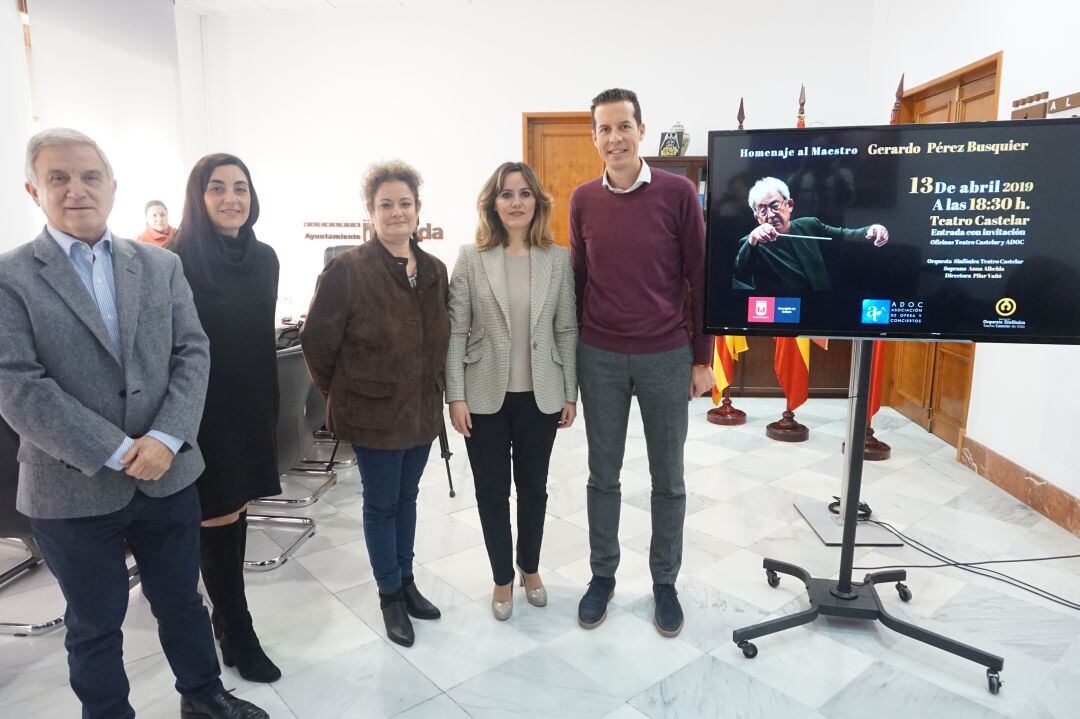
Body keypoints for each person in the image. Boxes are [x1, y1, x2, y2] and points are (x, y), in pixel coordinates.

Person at [0, 128, 266, 718]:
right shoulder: (10, 276)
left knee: (182, 602)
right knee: (95, 622)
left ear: (112, 186)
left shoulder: (160, 264)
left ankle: (202, 697)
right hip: (70, 487)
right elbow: (17, 384)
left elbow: (192, 352)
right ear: (32, 189)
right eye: (58, 178)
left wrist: (166, 438)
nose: (76, 190)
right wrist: (119, 448)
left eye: (90, 176)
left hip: (166, 474)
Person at [569, 89, 714, 638]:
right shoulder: (582, 199)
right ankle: (601, 576)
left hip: (665, 355)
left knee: (668, 479)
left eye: (623, 126)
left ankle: (664, 583)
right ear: (595, 137)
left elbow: (699, 279)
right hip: (600, 356)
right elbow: (578, 284)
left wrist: (702, 358)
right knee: (602, 476)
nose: (614, 139)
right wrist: (571, 364)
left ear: (641, 129)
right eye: (604, 129)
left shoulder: (678, 193)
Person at [301, 160, 448, 648]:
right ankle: (389, 595)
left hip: (422, 413)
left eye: (405, 203)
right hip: (374, 414)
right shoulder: (347, 270)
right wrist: (341, 393)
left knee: (406, 501)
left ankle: (406, 583)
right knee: (381, 505)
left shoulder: (432, 270)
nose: (396, 212)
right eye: (386, 204)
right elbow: (317, 344)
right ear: (371, 211)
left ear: (418, 210)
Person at [446, 162, 577, 621]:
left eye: (524, 194)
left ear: (536, 202)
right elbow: (456, 331)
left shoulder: (557, 258)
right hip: (483, 396)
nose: (516, 202)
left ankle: (530, 567)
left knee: (534, 490)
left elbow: (566, 329)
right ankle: (502, 576)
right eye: (506, 194)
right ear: (492, 204)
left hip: (541, 393)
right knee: (491, 491)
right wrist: (454, 396)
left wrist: (570, 392)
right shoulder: (470, 258)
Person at [170, 154, 282, 683]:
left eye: (240, 187)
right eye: (217, 188)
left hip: (250, 404)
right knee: (214, 517)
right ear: (198, 197)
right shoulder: (174, 260)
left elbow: (256, 336)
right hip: (200, 411)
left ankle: (226, 623)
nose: (231, 198)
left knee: (236, 513)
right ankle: (239, 631)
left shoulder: (265, 259)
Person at [733, 176, 889, 292]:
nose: (771, 214)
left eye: (775, 205)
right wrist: (753, 239)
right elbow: (740, 275)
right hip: (781, 314)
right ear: (757, 217)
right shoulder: (751, 243)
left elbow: (843, 235)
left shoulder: (809, 225)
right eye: (763, 210)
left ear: (789, 205)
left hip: (821, 306)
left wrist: (871, 229)